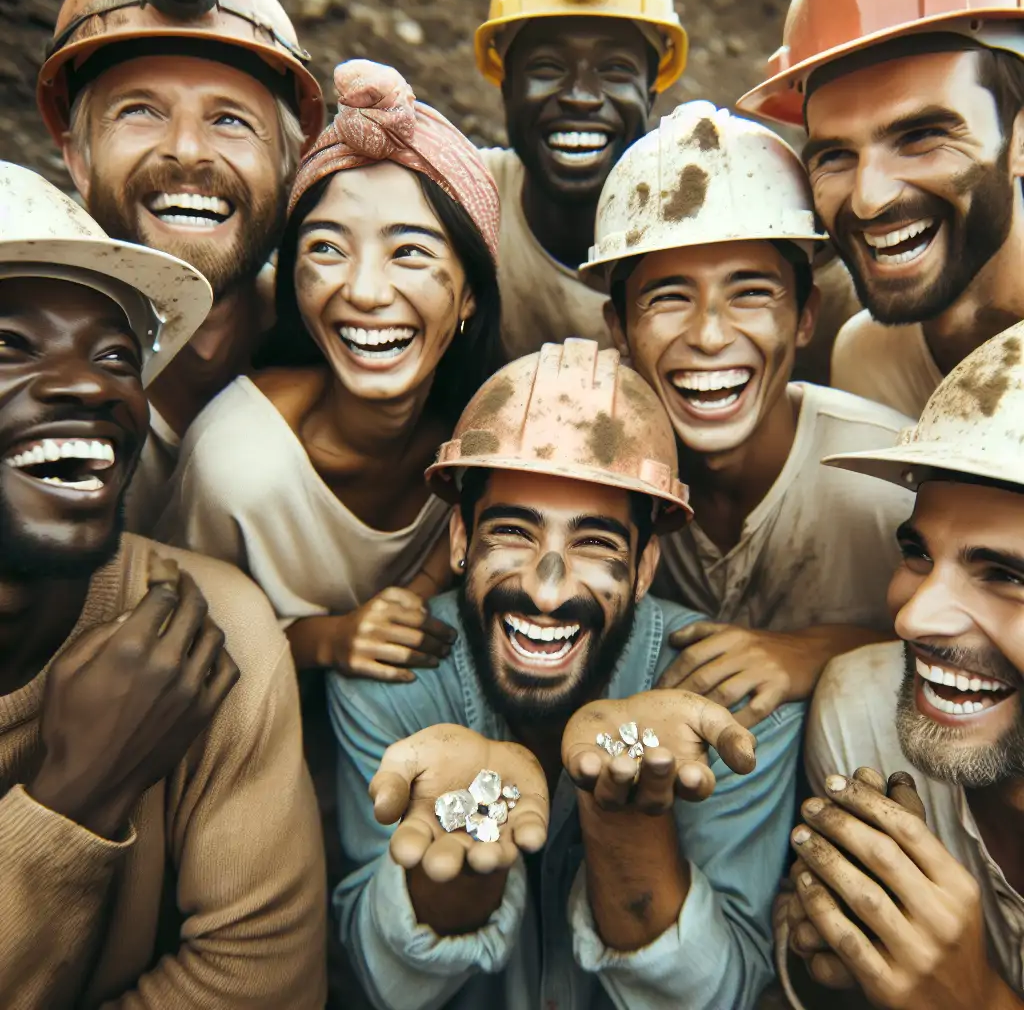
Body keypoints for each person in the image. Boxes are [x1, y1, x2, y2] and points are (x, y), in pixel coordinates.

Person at [330, 338, 807, 1010]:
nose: (547, 592)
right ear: (461, 540)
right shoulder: (391, 677)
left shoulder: (731, 701)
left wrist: (627, 821)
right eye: (514, 534)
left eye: (594, 543)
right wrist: (465, 838)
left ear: (643, 567)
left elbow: (718, 997)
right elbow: (388, 988)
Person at [0, 161, 326, 1008]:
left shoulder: (208, 628)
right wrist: (76, 797)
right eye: (8, 345)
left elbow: (263, 985)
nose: (91, 385)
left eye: (116, 356)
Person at [158, 59, 502, 678]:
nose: (366, 291)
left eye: (411, 252)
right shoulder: (238, 465)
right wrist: (325, 640)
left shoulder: (484, 436)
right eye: (327, 248)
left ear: (471, 294)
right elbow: (173, 647)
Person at [580, 101, 913, 726]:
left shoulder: (889, 479)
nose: (709, 335)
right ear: (618, 326)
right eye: (668, 296)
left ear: (806, 315)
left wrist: (825, 649)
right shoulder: (590, 467)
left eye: (751, 293)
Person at [777, 322, 1024, 1008]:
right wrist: (840, 960)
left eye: (1006, 575)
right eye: (918, 554)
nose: (913, 618)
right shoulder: (866, 711)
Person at [38, 0, 325, 532]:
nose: (188, 150)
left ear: (291, 165)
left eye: (231, 119)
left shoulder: (344, 356)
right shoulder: (21, 375)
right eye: (140, 111)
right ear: (79, 158)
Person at [738, 0, 1024, 418]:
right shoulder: (869, 362)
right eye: (835, 156)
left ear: (1019, 140)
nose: (869, 199)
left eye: (922, 137)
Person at [472, 0, 685, 358]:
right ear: (507, 87)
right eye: (547, 66)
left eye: (616, 69)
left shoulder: (696, 232)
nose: (580, 95)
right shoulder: (463, 205)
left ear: (649, 94)